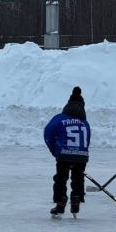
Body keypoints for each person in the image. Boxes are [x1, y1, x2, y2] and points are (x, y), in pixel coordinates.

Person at [43, 87, 90, 219]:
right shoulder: (85, 123)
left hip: (63, 154)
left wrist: (55, 151)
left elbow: (48, 134)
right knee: (78, 178)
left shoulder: (59, 118)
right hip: (81, 155)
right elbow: (87, 141)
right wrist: (81, 153)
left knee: (61, 178)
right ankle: (76, 200)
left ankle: (60, 202)